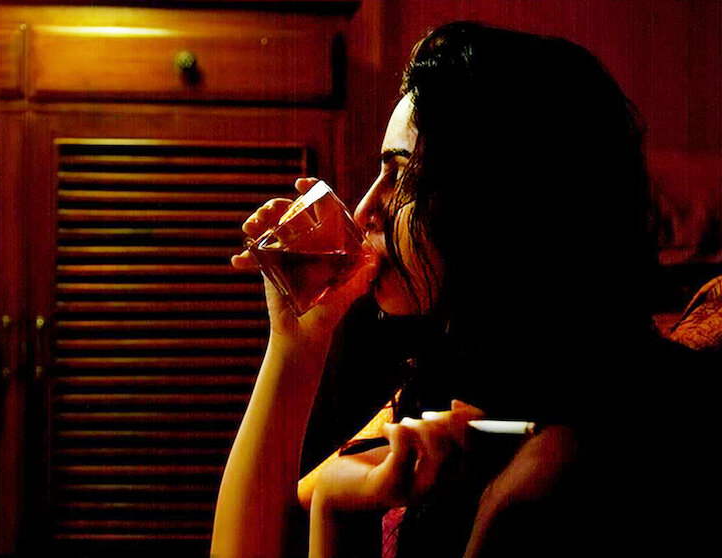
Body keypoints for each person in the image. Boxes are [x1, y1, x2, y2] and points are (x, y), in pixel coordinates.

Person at [210, 21, 718, 558]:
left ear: (497, 202)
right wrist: (294, 343)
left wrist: (335, 506)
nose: (364, 210)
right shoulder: (461, 381)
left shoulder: (558, 469)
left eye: (402, 177)